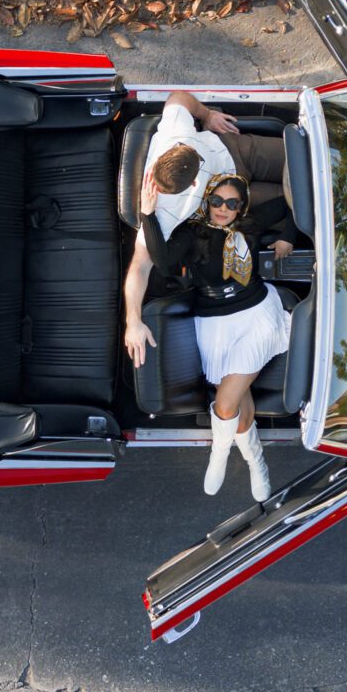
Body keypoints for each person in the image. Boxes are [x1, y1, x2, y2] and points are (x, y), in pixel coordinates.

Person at [139, 171, 296, 501]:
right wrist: (148, 214)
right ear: (207, 200)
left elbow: (294, 205)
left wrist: (289, 236)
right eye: (216, 201)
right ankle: (256, 461)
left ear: (240, 207)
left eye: (231, 203)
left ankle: (220, 453)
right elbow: (165, 263)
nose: (222, 208)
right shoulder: (193, 232)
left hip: (256, 313)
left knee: (225, 404)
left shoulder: (250, 225)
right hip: (214, 323)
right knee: (238, 399)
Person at [125, 90, 289, 369]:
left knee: (302, 162)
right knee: (294, 197)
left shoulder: (176, 135)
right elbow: (141, 266)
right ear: (192, 186)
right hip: (225, 205)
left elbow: (177, 98)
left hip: (235, 154)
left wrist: (206, 115)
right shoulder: (164, 212)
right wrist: (133, 321)